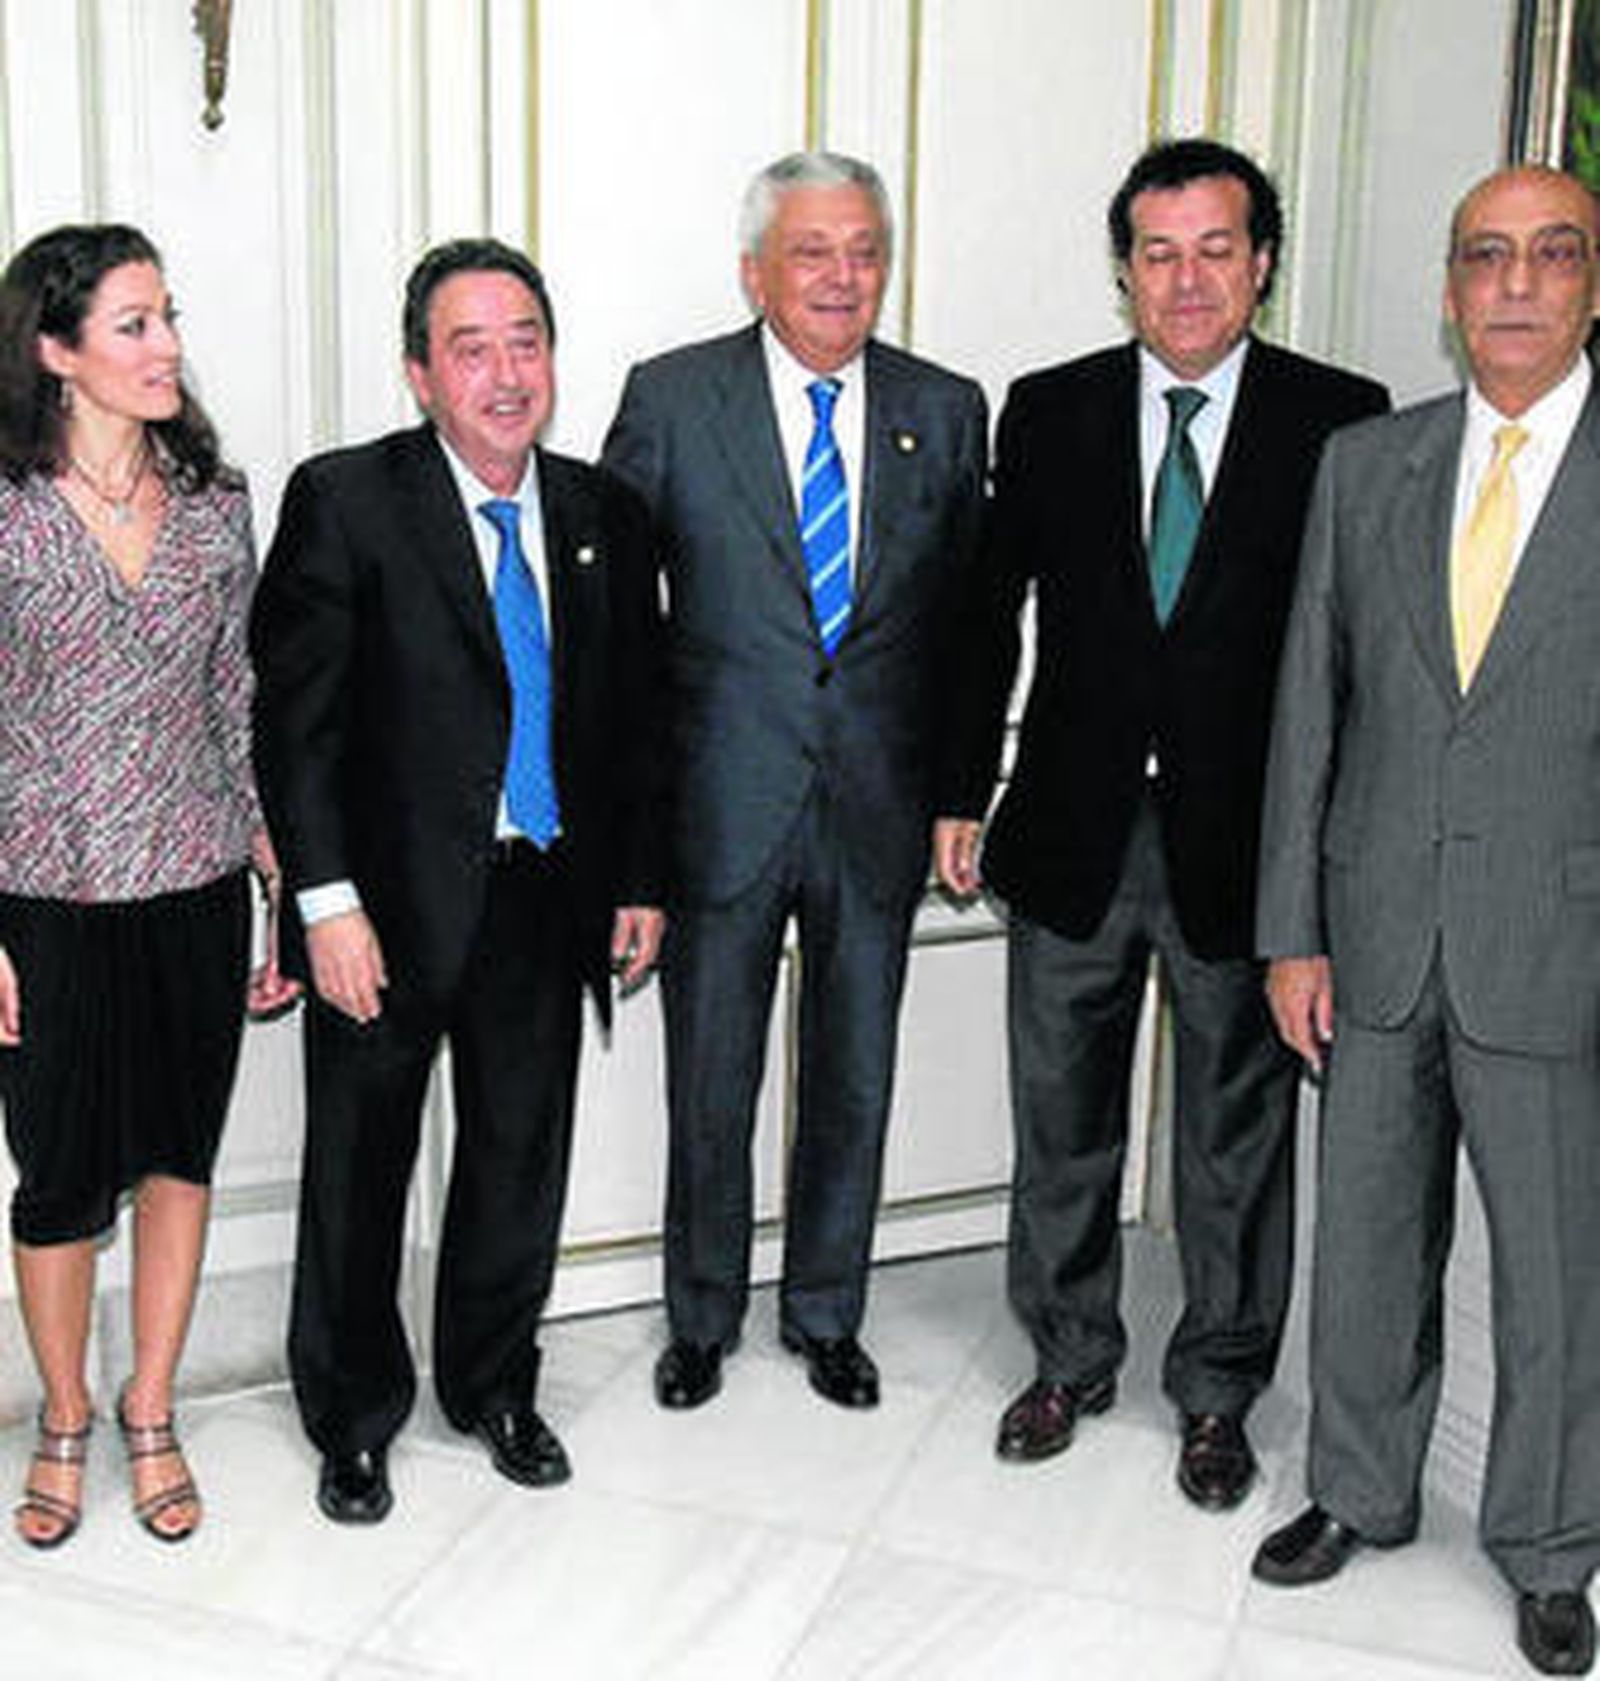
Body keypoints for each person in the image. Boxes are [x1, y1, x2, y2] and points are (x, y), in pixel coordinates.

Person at [934, 138, 1388, 1508]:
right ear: (1123, 267)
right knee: (1060, 1117)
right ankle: (1069, 1354)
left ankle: (1219, 1392)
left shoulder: (1341, 418)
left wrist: (1334, 854)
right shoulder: (1051, 408)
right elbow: (982, 612)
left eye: (1215, 249)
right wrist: (962, 785)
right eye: (1157, 251)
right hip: (1071, 830)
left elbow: (1360, 653)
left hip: (1248, 848)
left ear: (1262, 263)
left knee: (1232, 1138)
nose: (1185, 280)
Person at [250, 239, 664, 1525]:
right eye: (471, 348)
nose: (504, 373)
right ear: (420, 371)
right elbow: (295, 726)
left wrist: (640, 879)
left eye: (525, 341)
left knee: (517, 1159)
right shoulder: (347, 499)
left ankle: (492, 1383)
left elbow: (635, 720)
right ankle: (353, 1415)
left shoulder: (604, 513)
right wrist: (323, 902)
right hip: (379, 909)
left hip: (545, 893)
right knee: (359, 1167)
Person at [1252, 165, 1600, 1677]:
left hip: (1559, 947)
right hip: (1377, 929)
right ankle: (1357, 1487)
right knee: (1369, 1243)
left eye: (1551, 254)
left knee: (1559, 1274)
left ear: (1592, 283)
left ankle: (1550, 1543)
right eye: (1486, 257)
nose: (1515, 283)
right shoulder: (1365, 467)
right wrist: (1291, 929)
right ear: (1449, 288)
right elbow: (1306, 718)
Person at [602, 152, 986, 1412]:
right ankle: (701, 1314)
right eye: (812, 251)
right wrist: (635, 837)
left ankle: (828, 1310)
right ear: (755, 269)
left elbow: (973, 623)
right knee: (711, 1075)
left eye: (864, 249)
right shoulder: (670, 399)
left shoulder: (948, 405)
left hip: (875, 805)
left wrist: (956, 792)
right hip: (718, 805)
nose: (841, 276)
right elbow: (615, 631)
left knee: (855, 1070)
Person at [0, 223, 296, 1549]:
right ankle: (63, 1413)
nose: (166, 343)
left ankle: (152, 1402)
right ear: (55, 351)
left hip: (193, 881)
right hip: (41, 897)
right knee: (61, 1178)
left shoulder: (219, 502)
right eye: (132, 323)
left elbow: (239, 695)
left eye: (166, 315)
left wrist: (278, 872)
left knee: (179, 1156)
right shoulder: (2, 514)